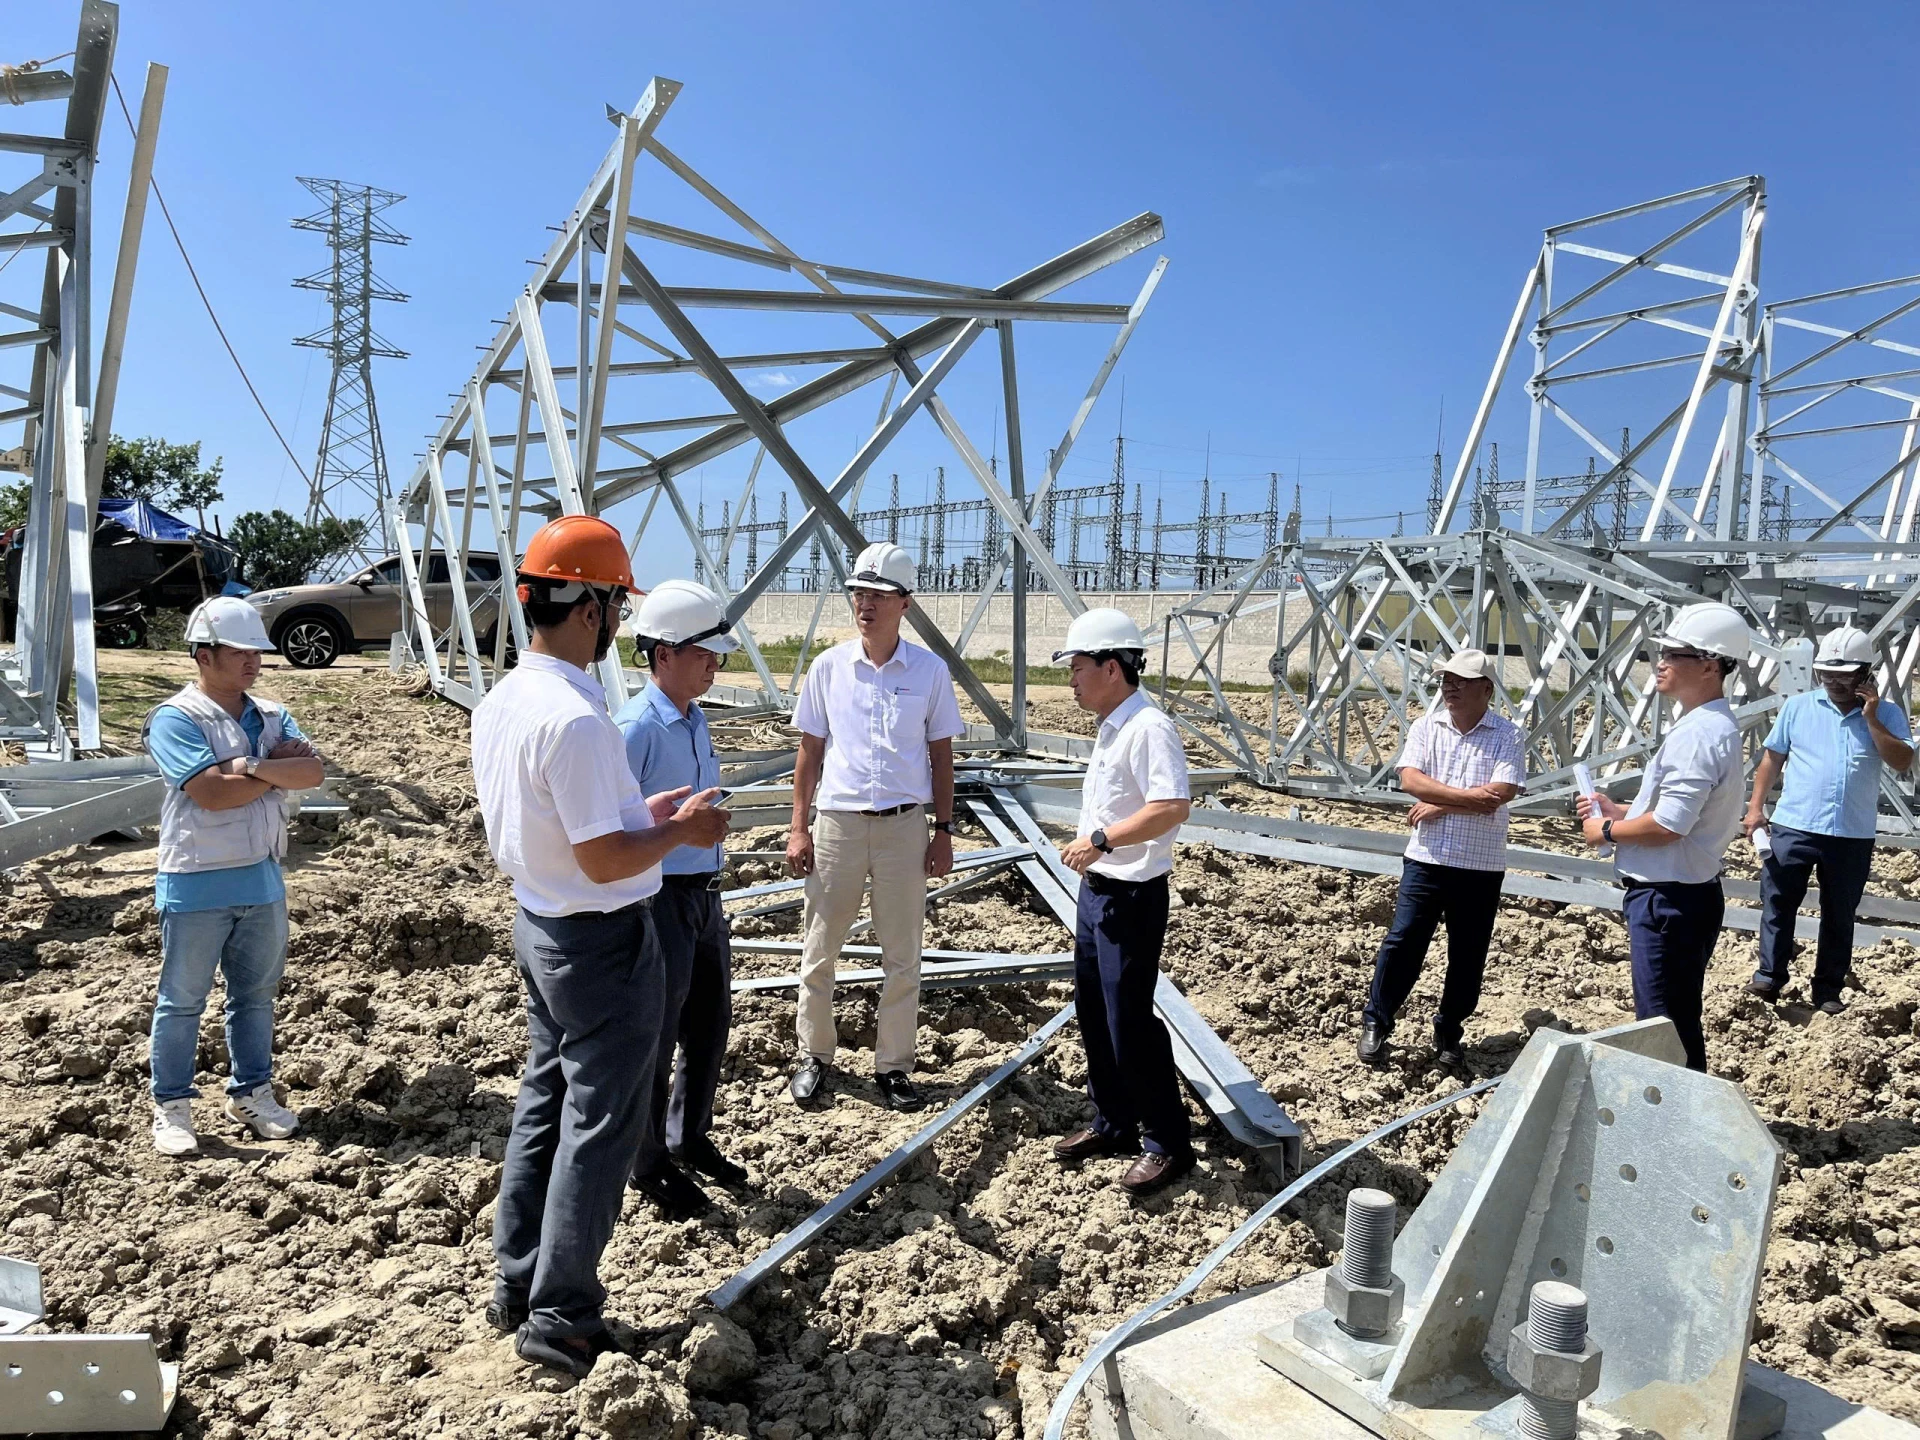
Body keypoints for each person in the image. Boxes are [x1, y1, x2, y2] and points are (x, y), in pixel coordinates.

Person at [471, 515, 730, 1378]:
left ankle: (518, 1283)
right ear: (590, 609)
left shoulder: (510, 700)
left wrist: (642, 815)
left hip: (542, 925)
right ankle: (564, 1319)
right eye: (617, 604)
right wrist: (679, 831)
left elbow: (575, 823)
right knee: (601, 1128)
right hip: (600, 939)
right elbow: (605, 858)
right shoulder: (576, 720)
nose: (621, 620)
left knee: (544, 1105)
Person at [141, 596, 324, 1157]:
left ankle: (251, 1093)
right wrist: (275, 771)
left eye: (256, 652)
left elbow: (312, 772)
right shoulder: (176, 718)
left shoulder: (270, 713)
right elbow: (212, 794)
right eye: (240, 651)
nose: (253, 662)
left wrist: (251, 766)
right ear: (204, 654)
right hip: (196, 879)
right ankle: (172, 1105)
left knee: (256, 997)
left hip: (261, 879)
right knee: (182, 1000)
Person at [786, 541, 963, 1112]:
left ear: (904, 603)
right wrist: (799, 826)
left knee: (902, 956)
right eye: (859, 592)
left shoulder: (929, 672)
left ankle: (893, 1067)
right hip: (837, 824)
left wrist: (943, 830)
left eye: (879, 595)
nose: (866, 603)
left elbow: (941, 756)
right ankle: (814, 1055)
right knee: (820, 948)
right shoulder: (829, 668)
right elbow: (810, 752)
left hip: (903, 829)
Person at [1048, 608, 1196, 1197]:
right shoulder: (1114, 725)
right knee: (1093, 1009)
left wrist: (1102, 839)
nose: (1072, 679)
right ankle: (1113, 1122)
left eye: (1078, 667)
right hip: (1100, 893)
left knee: (1129, 1020)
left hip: (1132, 896)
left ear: (1112, 667)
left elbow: (1171, 807)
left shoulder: (1149, 728)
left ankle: (1167, 1142)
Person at [614, 579, 749, 1220]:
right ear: (663, 653)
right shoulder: (636, 729)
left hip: (704, 896)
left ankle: (688, 1137)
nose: (713, 664)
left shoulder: (694, 720)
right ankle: (647, 1161)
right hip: (660, 897)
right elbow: (613, 829)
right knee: (658, 1031)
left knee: (708, 1023)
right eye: (703, 653)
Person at [1579, 602, 1750, 1072]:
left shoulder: (1697, 735)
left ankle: (1678, 1113)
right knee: (1676, 1022)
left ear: (1710, 665)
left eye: (1675, 654)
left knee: (1661, 1032)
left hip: (1667, 901)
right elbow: (1678, 815)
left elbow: (1670, 826)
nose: (1662, 662)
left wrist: (1607, 829)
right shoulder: (1710, 726)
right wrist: (1624, 812)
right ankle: (1687, 1108)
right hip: (1685, 896)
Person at [1357, 649, 1525, 1068]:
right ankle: (1377, 1021)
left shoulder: (1507, 735)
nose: (1450, 687)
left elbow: (1501, 793)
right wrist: (1466, 800)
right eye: (1446, 680)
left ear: (1486, 689)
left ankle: (1450, 1030)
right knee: (1403, 942)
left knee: (1468, 954)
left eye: (1460, 681)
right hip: (1427, 859)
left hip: (1480, 865)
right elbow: (1411, 780)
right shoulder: (1425, 727)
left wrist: (1441, 803)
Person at [1744, 625, 1912, 1013]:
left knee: (1839, 914)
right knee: (1778, 902)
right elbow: (1773, 758)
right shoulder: (1798, 707)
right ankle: (1769, 977)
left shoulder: (1887, 714)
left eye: (1844, 675)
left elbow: (1902, 761)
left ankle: (1827, 991)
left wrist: (1872, 718)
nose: (1834, 682)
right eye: (1826, 673)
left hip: (1851, 834)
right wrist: (1755, 809)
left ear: (1866, 674)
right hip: (1794, 825)